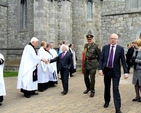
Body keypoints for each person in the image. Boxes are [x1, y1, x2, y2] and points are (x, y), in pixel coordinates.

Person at [98, 33, 128, 113]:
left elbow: (123, 61)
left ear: (117, 39)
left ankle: (117, 108)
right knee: (107, 87)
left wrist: (126, 72)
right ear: (109, 39)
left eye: (114, 38)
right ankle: (107, 101)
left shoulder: (120, 48)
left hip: (116, 72)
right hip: (107, 70)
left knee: (115, 89)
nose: (113, 40)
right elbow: (101, 59)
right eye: (111, 38)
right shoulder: (105, 48)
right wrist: (100, 69)